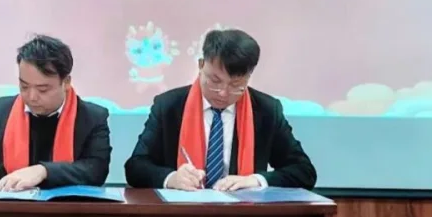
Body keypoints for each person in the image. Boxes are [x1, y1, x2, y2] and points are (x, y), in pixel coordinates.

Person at [125, 28, 317, 191]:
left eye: (236, 85)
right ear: (201, 65)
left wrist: (256, 180)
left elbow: (304, 171)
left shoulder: (266, 111)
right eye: (215, 81)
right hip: (181, 216)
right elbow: (135, 167)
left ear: (249, 76)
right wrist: (171, 178)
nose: (223, 93)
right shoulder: (169, 106)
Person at [0, 35, 111, 190]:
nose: (32, 97)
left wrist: (43, 171)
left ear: (66, 82)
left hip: (66, 206)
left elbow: (96, 170)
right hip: (7, 205)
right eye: (24, 86)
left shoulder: (92, 117)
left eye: (43, 89)